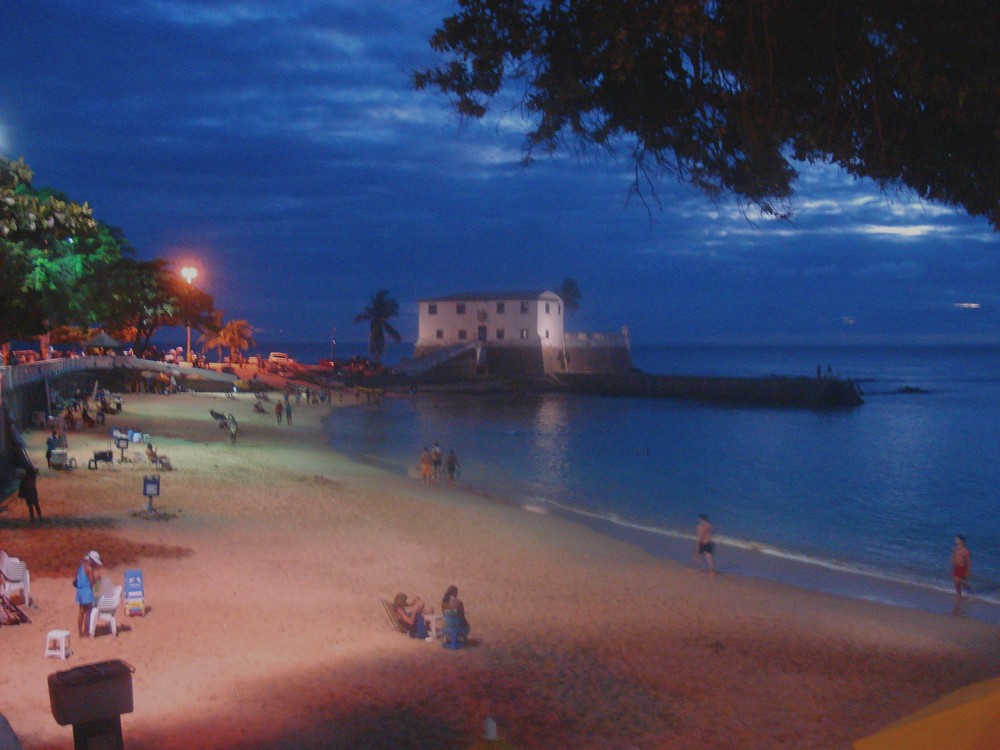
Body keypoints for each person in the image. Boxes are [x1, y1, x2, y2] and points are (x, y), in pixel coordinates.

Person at [75, 551, 103, 637]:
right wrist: (97, 579)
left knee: (81, 612)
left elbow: (76, 579)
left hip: (79, 592)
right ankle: (86, 632)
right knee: (88, 612)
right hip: (87, 591)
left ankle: (80, 633)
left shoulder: (81, 567)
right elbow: (91, 582)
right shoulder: (89, 569)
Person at [952, 535, 971, 600]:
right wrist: (952, 563)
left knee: (963, 582)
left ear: (961, 541)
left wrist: (968, 569)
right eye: (956, 539)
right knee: (956, 582)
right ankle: (959, 595)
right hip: (956, 567)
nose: (956, 541)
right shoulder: (955, 549)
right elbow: (954, 556)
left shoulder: (965, 550)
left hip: (962, 567)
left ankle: (969, 590)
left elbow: (968, 560)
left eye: (957, 539)